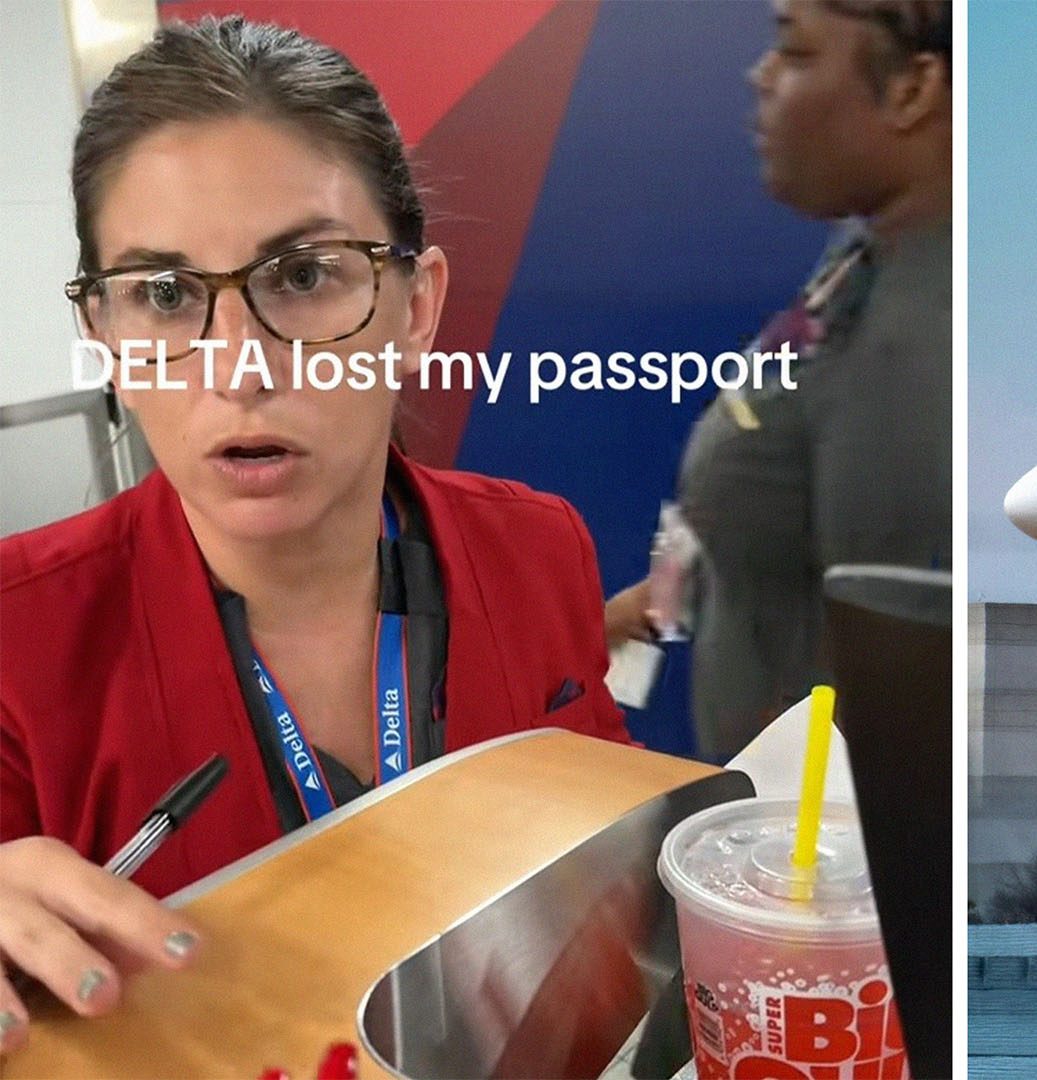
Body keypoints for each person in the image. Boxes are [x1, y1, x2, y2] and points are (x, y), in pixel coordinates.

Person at [0, 17, 626, 1051]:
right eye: (162, 295)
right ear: (104, 337)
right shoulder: (21, 633)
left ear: (415, 307)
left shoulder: (538, 547)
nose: (240, 367)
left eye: (303, 277)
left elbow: (604, 848)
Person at [605, 0, 951, 761]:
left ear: (912, 90)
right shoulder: (862, 257)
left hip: (801, 848)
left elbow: (876, 665)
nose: (759, 76)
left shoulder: (916, 342)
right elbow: (774, 514)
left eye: (794, 53)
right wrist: (650, 607)